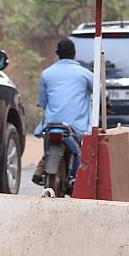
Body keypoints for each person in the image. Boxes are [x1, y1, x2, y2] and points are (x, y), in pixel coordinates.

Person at [32, 38, 94, 184]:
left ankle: (42, 167)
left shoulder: (46, 74)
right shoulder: (85, 74)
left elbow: (42, 102)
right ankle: (76, 179)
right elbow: (100, 93)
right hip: (76, 127)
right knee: (83, 150)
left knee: (47, 142)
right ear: (74, 54)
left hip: (51, 124)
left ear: (57, 54)